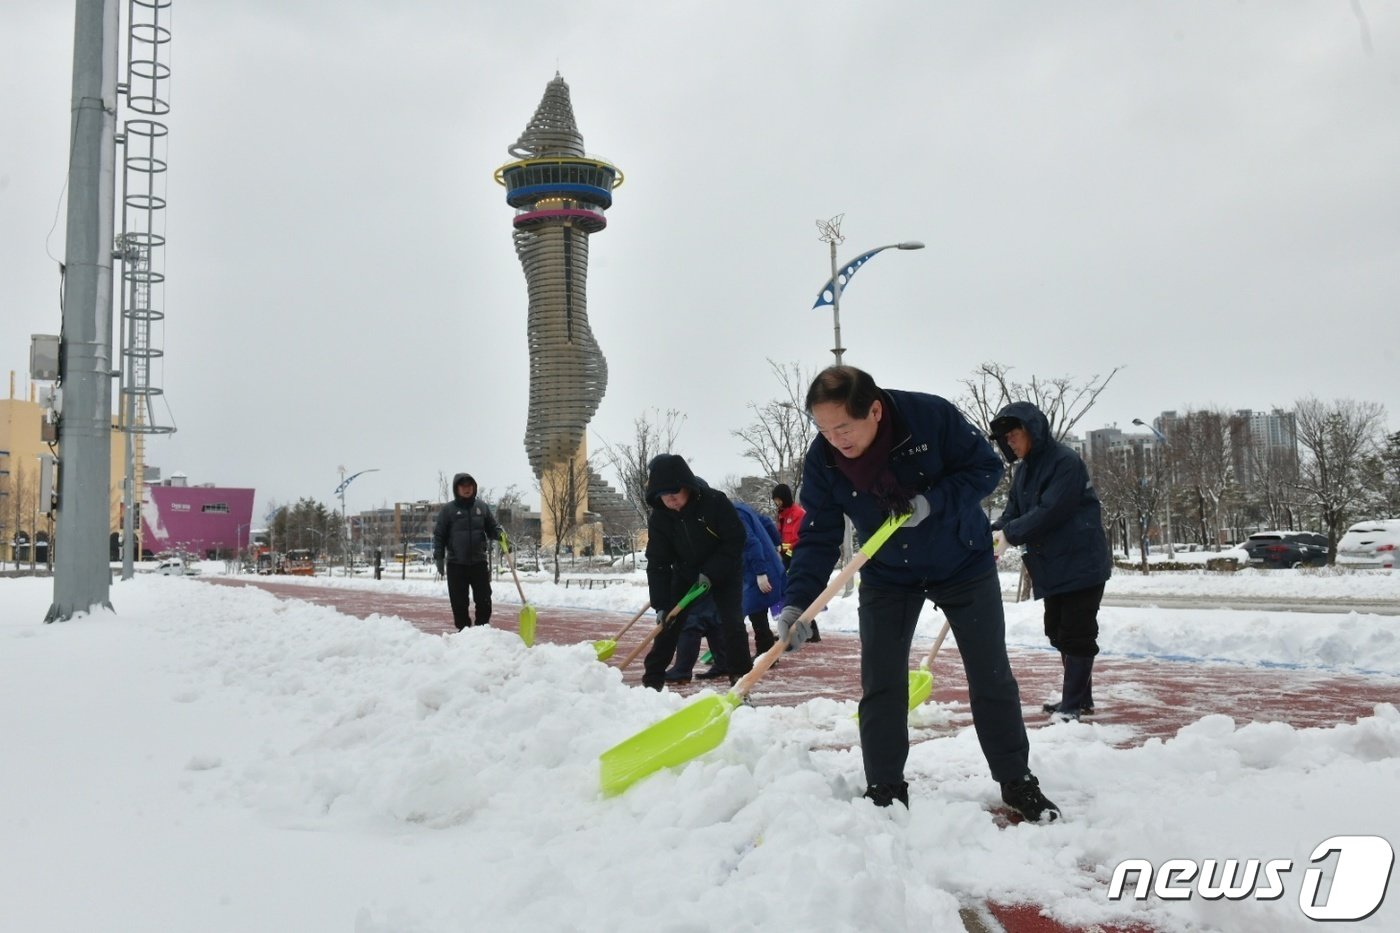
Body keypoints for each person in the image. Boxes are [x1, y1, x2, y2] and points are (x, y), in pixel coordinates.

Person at [776, 366, 1059, 821]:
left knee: (990, 677)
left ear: (874, 409)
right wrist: (799, 603)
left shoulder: (929, 417)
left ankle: (1016, 780)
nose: (835, 439)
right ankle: (885, 789)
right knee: (882, 682)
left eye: (843, 427)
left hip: (962, 562)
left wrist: (931, 501)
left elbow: (986, 469)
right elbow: (818, 535)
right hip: (887, 573)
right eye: (823, 429)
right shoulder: (824, 458)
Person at [989, 402, 1113, 721]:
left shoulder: (1064, 462)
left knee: (1077, 632)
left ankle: (1072, 704)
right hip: (1053, 565)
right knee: (1057, 631)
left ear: (1032, 431)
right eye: (1007, 439)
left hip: (1081, 561)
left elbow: (1051, 510)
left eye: (1015, 435)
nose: (1011, 443)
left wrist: (1011, 534)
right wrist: (996, 532)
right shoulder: (1024, 470)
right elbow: (1014, 511)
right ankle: (1080, 699)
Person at [642, 454, 754, 690]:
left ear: (687, 486)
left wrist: (712, 572)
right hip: (686, 572)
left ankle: (741, 679)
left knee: (732, 623)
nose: (670, 500)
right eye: (664, 496)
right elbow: (658, 561)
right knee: (669, 622)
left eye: (674, 493)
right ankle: (652, 681)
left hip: (725, 572)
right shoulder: (660, 517)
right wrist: (661, 604)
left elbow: (735, 540)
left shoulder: (715, 502)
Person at [432, 473, 505, 631]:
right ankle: (463, 631)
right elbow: (439, 536)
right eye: (463, 486)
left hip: (478, 562)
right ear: (456, 489)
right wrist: (439, 557)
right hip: (456, 563)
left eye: (469, 486)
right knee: (459, 601)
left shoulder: (481, 507)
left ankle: (482, 628)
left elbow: (492, 527)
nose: (467, 489)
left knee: (484, 598)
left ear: (474, 488)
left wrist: (501, 535)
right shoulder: (448, 510)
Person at [733, 500, 786, 659]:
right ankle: (767, 650)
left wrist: (760, 572)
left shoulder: (735, 514)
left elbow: (751, 543)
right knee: (757, 608)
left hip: (758, 565)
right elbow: (767, 522)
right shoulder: (743, 508)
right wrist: (776, 545)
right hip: (763, 562)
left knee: (755, 609)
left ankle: (766, 652)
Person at [771, 483, 818, 642]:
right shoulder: (782, 516)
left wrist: (788, 552)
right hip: (786, 558)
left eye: (778, 500)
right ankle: (790, 625)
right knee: (786, 590)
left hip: (797, 557)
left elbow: (800, 538)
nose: (777, 503)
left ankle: (812, 629)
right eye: (775, 501)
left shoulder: (798, 514)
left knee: (797, 590)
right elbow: (781, 536)